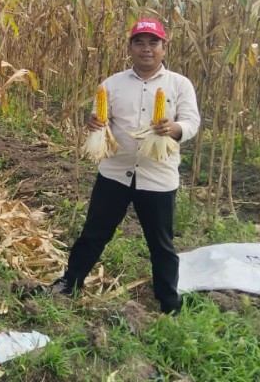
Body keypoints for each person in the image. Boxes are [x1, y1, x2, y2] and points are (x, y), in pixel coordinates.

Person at [50, 18, 200, 314]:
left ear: (163, 48)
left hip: (158, 177)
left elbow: (192, 122)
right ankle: (70, 283)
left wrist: (174, 129)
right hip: (115, 174)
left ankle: (169, 302)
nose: (146, 49)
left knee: (161, 244)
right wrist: (94, 125)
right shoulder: (112, 84)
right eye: (139, 42)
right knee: (94, 234)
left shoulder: (179, 85)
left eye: (153, 43)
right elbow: (99, 122)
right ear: (130, 48)